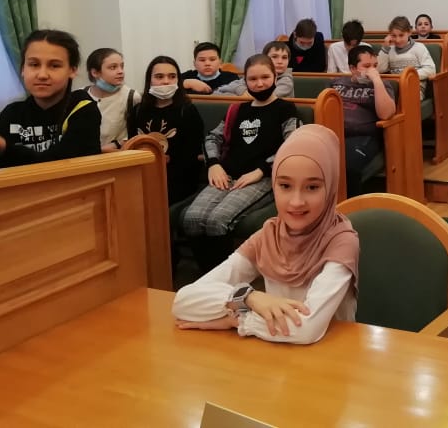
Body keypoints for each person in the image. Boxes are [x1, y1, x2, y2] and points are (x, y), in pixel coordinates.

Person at [172, 125, 359, 344]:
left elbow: (306, 328)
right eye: (285, 185)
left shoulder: (342, 241)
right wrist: (249, 297)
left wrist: (237, 320)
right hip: (276, 352)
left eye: (312, 187)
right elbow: (183, 302)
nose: (296, 201)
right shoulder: (269, 235)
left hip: (332, 355)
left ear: (331, 187)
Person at [181, 54, 302, 272]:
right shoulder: (236, 110)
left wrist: (261, 170)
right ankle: (207, 276)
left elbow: (291, 145)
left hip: (263, 177)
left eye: (265, 77)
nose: (259, 84)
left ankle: (225, 279)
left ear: (275, 78)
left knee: (218, 220)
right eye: (253, 79)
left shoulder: (286, 109)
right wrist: (214, 164)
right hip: (227, 173)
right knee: (192, 218)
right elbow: (212, 138)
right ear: (245, 81)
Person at [0, 30, 101, 168]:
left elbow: (61, 165)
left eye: (54, 65)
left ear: (72, 70)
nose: (42, 75)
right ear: (23, 69)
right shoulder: (12, 113)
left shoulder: (83, 108)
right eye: (34, 64)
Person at [128, 55, 206, 206]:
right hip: (143, 174)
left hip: (177, 179)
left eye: (172, 76)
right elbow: (133, 145)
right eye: (159, 77)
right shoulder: (138, 111)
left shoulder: (187, 111)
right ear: (149, 80)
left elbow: (192, 155)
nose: (166, 81)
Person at [330, 46, 397, 195]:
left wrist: (376, 81)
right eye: (366, 66)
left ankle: (352, 206)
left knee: (347, 166)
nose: (372, 70)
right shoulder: (336, 84)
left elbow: (386, 114)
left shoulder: (383, 85)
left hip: (363, 137)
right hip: (333, 133)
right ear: (352, 68)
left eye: (375, 66)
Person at [84, 47, 139, 152]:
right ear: (95, 72)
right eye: (113, 67)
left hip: (117, 156)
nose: (120, 71)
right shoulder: (80, 95)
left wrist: (117, 144)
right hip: (85, 157)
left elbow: (137, 134)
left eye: (122, 66)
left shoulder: (131, 96)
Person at [377, 16, 436, 100]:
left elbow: (430, 69)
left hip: (415, 88)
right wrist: (385, 49)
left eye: (401, 35)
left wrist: (407, 76)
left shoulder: (419, 47)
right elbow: (380, 69)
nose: (397, 40)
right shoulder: (389, 50)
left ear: (409, 32)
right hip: (395, 88)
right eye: (394, 36)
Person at [215, 41, 294, 98]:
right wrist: (242, 91)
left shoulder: (286, 80)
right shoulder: (255, 74)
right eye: (274, 57)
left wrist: (242, 95)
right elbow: (219, 92)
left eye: (284, 58)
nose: (280, 62)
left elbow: (264, 98)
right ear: (264, 58)